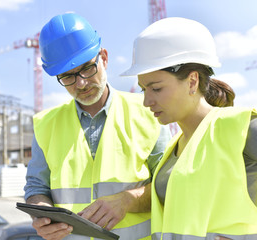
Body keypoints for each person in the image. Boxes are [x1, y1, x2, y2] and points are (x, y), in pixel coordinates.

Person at [24, 12, 171, 240]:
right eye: (68, 76)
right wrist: (42, 217)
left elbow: (171, 185)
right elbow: (36, 188)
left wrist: (128, 200)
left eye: (86, 68)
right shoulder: (45, 125)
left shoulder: (149, 112)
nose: (81, 83)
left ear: (103, 57)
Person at [121, 17, 257, 240]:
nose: (146, 101)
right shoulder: (174, 149)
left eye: (156, 88)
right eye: (143, 90)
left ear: (192, 81)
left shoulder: (239, 126)